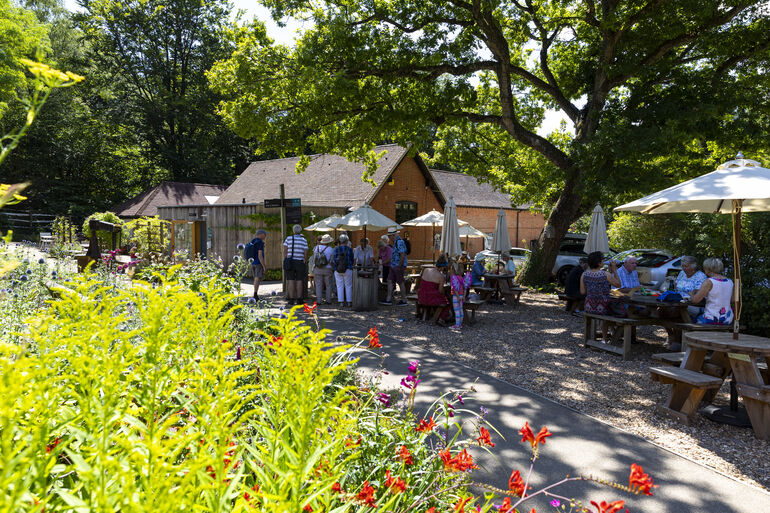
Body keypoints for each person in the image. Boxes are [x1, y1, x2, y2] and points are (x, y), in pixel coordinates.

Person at [580, 251, 621, 343]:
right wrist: (614, 270)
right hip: (603, 307)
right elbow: (618, 284)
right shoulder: (605, 274)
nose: (603, 262)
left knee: (606, 309)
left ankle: (610, 334)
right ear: (599, 263)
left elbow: (582, 292)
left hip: (588, 307)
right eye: (602, 260)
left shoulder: (584, 274)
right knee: (618, 310)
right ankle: (606, 337)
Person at [690, 257, 734, 325]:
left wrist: (691, 294)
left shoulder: (709, 282)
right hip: (727, 319)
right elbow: (732, 300)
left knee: (690, 315)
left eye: (705, 268)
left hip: (712, 318)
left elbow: (695, 300)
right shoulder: (730, 281)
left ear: (708, 269)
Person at [417, 254, 451, 323]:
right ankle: (441, 318)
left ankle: (428, 314)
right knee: (447, 302)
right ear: (443, 267)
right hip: (431, 298)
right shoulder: (441, 277)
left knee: (436, 297)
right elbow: (440, 291)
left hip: (421, 296)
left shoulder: (426, 270)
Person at [380, 227, 408, 306]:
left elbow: (402, 255)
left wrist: (399, 265)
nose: (389, 238)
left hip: (397, 266)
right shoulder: (396, 242)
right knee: (389, 280)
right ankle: (388, 299)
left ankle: (403, 300)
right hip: (393, 265)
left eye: (389, 236)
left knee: (400, 282)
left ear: (393, 235)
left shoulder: (399, 242)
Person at [282, 224, 308, 305]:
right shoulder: (304, 240)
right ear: (300, 231)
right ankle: (300, 299)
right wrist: (305, 261)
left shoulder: (288, 238)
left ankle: (291, 299)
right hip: (300, 262)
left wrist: (285, 259)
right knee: (299, 280)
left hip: (290, 261)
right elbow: (305, 252)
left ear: (293, 231)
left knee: (291, 280)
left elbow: (285, 250)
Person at [332, 234, 355, 307]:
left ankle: (341, 302)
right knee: (348, 286)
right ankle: (349, 302)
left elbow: (334, 260)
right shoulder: (350, 249)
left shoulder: (336, 249)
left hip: (337, 269)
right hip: (348, 269)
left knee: (339, 286)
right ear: (347, 241)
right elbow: (352, 260)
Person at [449, 259, 472, 332]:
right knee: (461, 309)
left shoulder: (453, 278)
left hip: (456, 296)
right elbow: (465, 288)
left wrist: (458, 297)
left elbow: (455, 289)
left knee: (456, 311)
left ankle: (457, 325)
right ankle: (460, 324)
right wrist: (464, 296)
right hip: (462, 295)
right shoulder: (462, 278)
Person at [312, 234, 334, 304]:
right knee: (328, 285)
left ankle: (319, 300)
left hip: (318, 268)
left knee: (318, 285)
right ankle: (328, 300)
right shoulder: (330, 249)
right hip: (328, 268)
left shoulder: (317, 248)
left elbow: (314, 258)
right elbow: (331, 260)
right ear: (328, 242)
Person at [249, 229, 267, 300]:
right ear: (261, 235)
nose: (265, 235)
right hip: (258, 263)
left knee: (255, 278)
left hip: (252, 262)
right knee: (257, 278)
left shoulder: (253, 241)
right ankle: (255, 295)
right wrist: (264, 266)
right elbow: (260, 255)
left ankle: (255, 294)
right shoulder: (260, 243)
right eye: (264, 234)